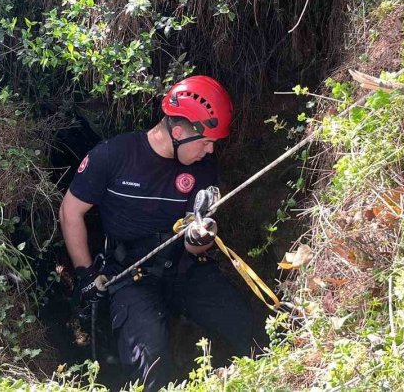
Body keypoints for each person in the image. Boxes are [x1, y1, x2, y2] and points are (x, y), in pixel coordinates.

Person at [58, 75, 263, 390]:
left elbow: (197, 241)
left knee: (251, 333)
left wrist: (200, 239)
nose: (210, 151)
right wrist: (86, 275)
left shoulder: (203, 167)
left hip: (186, 269)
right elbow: (71, 212)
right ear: (178, 132)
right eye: (206, 141)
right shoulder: (113, 155)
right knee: (151, 371)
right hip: (130, 278)